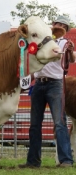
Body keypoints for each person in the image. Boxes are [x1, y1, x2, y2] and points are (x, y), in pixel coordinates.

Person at [19, 15, 76, 168]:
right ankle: (33, 161)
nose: (60, 27)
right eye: (58, 24)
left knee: (60, 123)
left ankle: (66, 161)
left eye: (63, 26)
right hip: (38, 83)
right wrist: (26, 80)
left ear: (65, 30)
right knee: (35, 124)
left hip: (55, 84)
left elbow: (71, 59)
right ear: (53, 25)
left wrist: (70, 52)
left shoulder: (65, 43)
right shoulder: (41, 41)